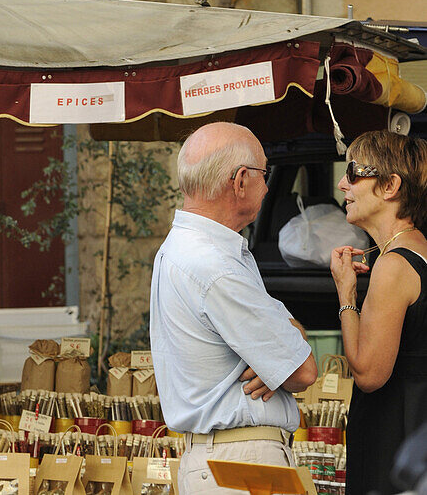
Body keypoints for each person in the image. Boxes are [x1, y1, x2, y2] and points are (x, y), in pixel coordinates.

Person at [150, 121, 317, 495]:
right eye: (264, 172)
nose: (268, 184)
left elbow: (291, 355)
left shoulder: (189, 250)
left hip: (226, 459)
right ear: (240, 181)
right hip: (241, 462)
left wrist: (278, 349)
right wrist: (281, 350)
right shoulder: (215, 264)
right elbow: (303, 369)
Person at [330, 130, 427, 495]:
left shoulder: (394, 264)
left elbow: (369, 372)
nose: (342, 184)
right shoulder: (419, 251)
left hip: (396, 439)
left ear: (390, 186)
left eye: (353, 172)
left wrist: (346, 295)